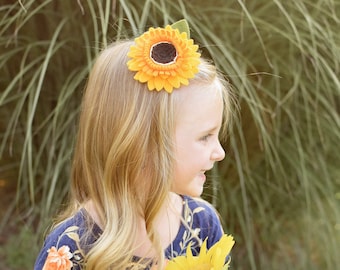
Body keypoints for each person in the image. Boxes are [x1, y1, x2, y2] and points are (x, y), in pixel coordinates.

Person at [34, 20, 233, 270]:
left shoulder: (202, 226)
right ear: (144, 143)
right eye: (205, 136)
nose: (220, 152)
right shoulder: (71, 248)